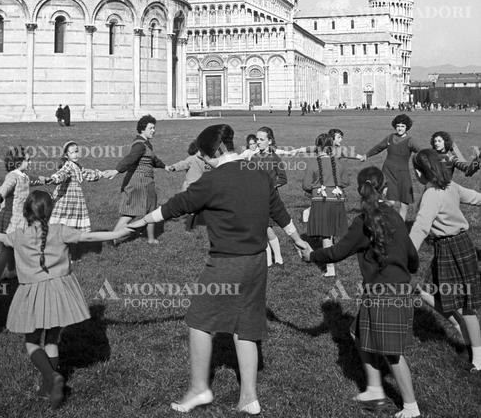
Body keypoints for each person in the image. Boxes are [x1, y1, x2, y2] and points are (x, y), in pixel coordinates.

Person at [127, 124, 308, 415]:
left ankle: (199, 389)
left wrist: (143, 219)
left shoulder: (213, 180)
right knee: (246, 326)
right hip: (257, 262)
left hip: (226, 262)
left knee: (199, 320)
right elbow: (279, 209)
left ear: (214, 152)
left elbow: (178, 204)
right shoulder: (260, 172)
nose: (204, 161)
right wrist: (297, 239)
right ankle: (249, 398)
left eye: (204, 156)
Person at [0, 190, 132, 407]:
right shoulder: (60, 231)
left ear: (26, 212)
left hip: (32, 295)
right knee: (52, 340)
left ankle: (53, 378)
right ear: (50, 212)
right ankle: (48, 385)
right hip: (60, 293)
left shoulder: (18, 235)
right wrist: (116, 233)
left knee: (32, 341)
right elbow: (88, 236)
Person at [303, 166, 420, 418]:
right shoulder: (394, 216)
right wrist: (411, 268)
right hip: (385, 290)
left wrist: (311, 255)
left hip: (386, 292)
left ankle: (411, 407)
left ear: (359, 190)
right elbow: (411, 254)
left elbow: (337, 252)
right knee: (357, 333)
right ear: (384, 189)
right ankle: (375, 388)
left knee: (392, 352)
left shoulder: (363, 222)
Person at [410, 149, 481, 369]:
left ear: (422, 172)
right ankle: (466, 336)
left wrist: (404, 255)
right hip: (459, 246)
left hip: (451, 249)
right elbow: (477, 197)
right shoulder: (451, 186)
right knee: (431, 292)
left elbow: (421, 226)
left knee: (467, 306)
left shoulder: (432, 194)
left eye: (416, 169)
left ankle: (478, 360)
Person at [38, 141, 115, 258]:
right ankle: (56, 252)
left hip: (76, 201)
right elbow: (61, 174)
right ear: (66, 155)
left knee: (73, 228)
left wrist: (102, 174)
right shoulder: (68, 165)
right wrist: (52, 178)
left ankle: (73, 255)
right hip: (66, 200)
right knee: (63, 226)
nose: (75, 154)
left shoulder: (78, 166)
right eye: (72, 152)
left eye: (77, 151)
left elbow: (88, 174)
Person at [108, 115, 168, 244]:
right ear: (142, 129)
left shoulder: (146, 144)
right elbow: (130, 159)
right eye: (151, 128)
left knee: (144, 212)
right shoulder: (139, 145)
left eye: (154, 128)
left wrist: (165, 166)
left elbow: (153, 159)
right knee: (134, 213)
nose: (154, 130)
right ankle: (113, 239)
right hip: (138, 182)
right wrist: (116, 170)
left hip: (144, 182)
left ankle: (149, 239)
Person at [302, 133, 349, 277]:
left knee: (326, 235)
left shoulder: (313, 163)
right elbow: (346, 182)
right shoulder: (338, 163)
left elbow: (306, 185)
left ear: (317, 147)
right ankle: (333, 257)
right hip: (337, 200)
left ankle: (330, 269)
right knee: (330, 233)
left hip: (321, 200)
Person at [362, 114, 419, 220]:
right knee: (390, 201)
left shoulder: (410, 140)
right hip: (388, 172)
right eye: (398, 126)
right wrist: (366, 155)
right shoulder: (390, 138)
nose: (400, 128)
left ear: (407, 127)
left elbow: (421, 153)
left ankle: (401, 225)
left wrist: (422, 167)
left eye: (402, 126)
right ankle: (378, 218)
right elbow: (378, 147)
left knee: (404, 202)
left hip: (403, 173)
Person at [0, 147, 32, 282]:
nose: (30, 162)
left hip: (17, 218)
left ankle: (11, 272)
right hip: (11, 219)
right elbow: (6, 187)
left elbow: (33, 180)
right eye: (28, 160)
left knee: (9, 247)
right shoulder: (13, 176)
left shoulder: (23, 175)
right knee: (7, 249)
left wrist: (47, 180)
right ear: (17, 162)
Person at [254, 126, 287, 267]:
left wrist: (271, 186)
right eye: (257, 139)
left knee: (267, 228)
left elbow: (283, 178)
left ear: (269, 141)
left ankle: (278, 258)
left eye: (262, 139)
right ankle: (268, 260)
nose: (258, 142)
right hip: (255, 198)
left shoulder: (274, 157)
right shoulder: (254, 158)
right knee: (261, 229)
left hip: (269, 199)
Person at [166, 140, 211, 231]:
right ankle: (187, 229)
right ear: (197, 149)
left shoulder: (206, 160)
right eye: (201, 150)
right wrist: (174, 167)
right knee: (192, 210)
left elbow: (210, 169)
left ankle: (193, 226)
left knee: (197, 209)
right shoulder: (192, 159)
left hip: (201, 188)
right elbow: (183, 164)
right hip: (192, 188)